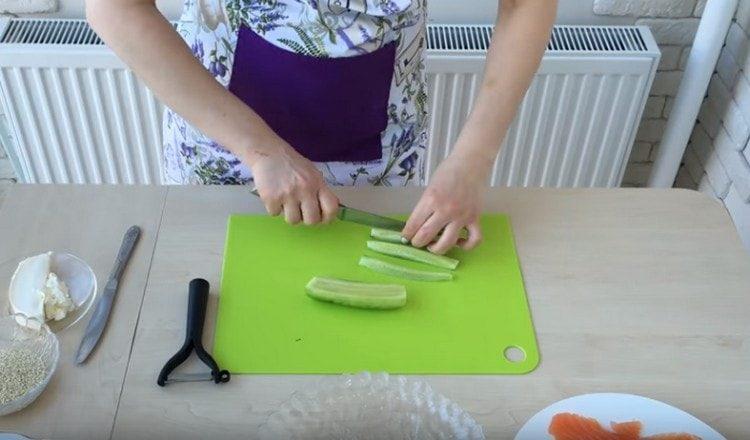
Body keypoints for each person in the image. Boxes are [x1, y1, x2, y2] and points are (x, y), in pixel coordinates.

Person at [86, 0, 556, 254]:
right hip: (223, 150)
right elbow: (115, 8)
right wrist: (261, 150)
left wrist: (472, 163)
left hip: (381, 154)